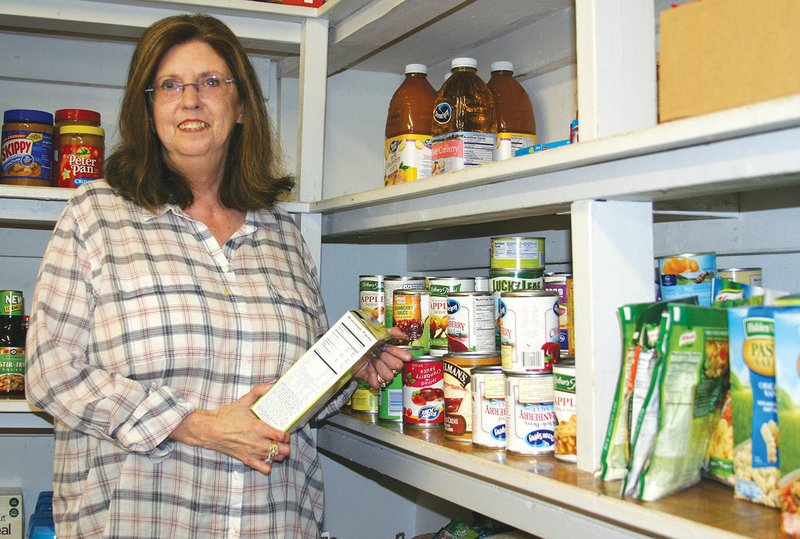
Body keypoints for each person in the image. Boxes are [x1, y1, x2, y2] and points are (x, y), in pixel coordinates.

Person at [25, 13, 411, 538]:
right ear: (149, 109)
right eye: (169, 85)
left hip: (272, 523)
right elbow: (52, 374)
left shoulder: (283, 234)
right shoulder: (96, 215)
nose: (190, 99)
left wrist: (348, 370)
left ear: (243, 106)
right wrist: (201, 427)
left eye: (210, 82)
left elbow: (297, 395)